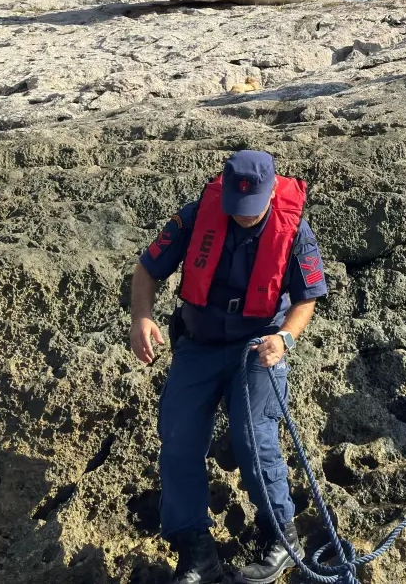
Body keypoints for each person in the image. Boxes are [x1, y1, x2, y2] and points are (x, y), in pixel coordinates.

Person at [130, 150, 328, 584]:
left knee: (252, 434)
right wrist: (141, 317)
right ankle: (196, 552)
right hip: (198, 345)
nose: (243, 217)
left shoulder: (294, 229)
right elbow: (147, 270)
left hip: (258, 347)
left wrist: (284, 338)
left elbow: (307, 296)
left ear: (273, 190)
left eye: (252, 209)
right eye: (236, 209)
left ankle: (280, 537)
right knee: (178, 439)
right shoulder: (196, 215)